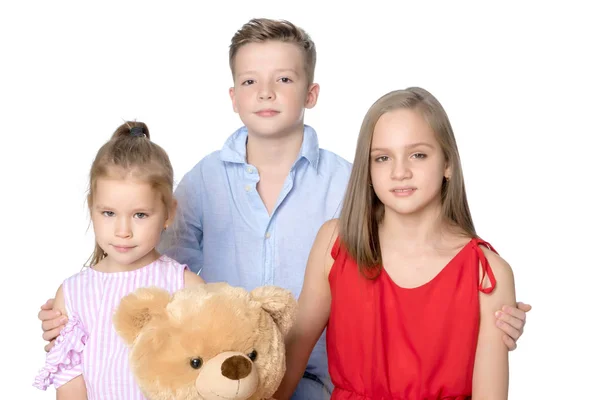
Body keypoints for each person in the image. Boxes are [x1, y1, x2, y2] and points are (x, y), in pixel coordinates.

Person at [37, 19, 531, 399]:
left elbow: (426, 284)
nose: (267, 92)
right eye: (250, 81)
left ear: (311, 93)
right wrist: (78, 308)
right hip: (225, 383)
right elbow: (146, 272)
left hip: (322, 381)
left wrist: (486, 315)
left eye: (284, 79)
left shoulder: (350, 184)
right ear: (232, 97)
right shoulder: (203, 183)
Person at [275, 87, 518, 399]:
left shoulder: (487, 274)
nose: (400, 172)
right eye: (383, 158)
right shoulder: (334, 244)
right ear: (369, 169)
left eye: (418, 155)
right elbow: (287, 367)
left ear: (447, 164)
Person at [33, 122, 205, 399]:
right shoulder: (74, 294)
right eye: (109, 213)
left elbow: (203, 374)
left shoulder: (185, 287)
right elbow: (70, 387)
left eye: (140, 215)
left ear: (168, 213)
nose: (122, 231)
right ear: (92, 208)